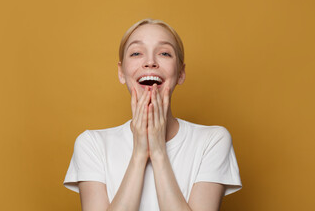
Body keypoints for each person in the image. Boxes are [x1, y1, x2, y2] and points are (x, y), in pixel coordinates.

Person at [63, 18, 242, 211]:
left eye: (164, 53)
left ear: (181, 73)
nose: (150, 62)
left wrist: (158, 152)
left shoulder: (212, 141)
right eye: (136, 53)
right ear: (121, 72)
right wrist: (139, 154)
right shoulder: (92, 144)